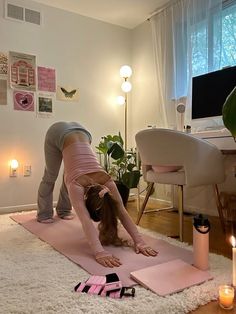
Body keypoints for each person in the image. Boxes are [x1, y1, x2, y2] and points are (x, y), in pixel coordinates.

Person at [37, 121, 158, 267]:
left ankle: (63, 210)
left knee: (69, 174)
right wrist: (98, 251)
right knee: (51, 175)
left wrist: (140, 241)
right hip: (57, 132)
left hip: (84, 132)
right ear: (86, 198)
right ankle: (44, 214)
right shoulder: (77, 184)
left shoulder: (107, 181)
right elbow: (86, 220)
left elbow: (121, 211)